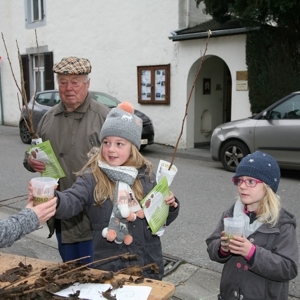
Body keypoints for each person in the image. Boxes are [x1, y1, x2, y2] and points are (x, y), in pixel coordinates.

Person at [30, 102, 180, 279]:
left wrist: (171, 206)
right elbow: (72, 200)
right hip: (109, 266)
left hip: (147, 264)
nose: (111, 149)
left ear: (133, 147)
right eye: (106, 142)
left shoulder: (147, 177)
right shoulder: (92, 177)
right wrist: (53, 197)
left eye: (119, 143)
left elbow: (161, 218)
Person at [23, 56, 110, 264]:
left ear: (87, 84)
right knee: (70, 273)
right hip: (62, 214)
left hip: (94, 217)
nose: (68, 88)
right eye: (63, 82)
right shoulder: (49, 118)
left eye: (75, 82)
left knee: (96, 276)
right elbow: (34, 151)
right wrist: (30, 160)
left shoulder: (103, 117)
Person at [206, 151, 298, 300]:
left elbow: (288, 268)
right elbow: (211, 245)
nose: (242, 186)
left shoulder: (282, 224)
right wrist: (222, 249)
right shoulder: (231, 214)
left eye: (250, 181)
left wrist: (253, 253)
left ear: (267, 186)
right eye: (239, 180)